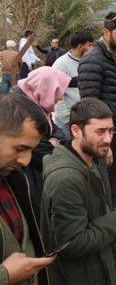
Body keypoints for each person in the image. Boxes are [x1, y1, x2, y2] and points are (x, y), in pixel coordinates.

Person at [41, 98, 116, 284]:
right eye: (100, 131)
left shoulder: (94, 157)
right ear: (75, 131)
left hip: (101, 263)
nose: (108, 139)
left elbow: (98, 213)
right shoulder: (66, 179)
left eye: (111, 130)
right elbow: (72, 243)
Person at [78, 11, 116, 209]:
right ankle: (108, 239)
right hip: (103, 138)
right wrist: (103, 142)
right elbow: (90, 106)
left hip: (115, 134)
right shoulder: (93, 59)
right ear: (106, 32)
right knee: (104, 193)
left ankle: (115, 236)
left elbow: (115, 98)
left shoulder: (111, 58)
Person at [0, 94, 55, 285]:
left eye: (31, 150)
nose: (26, 160)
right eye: (20, 148)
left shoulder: (14, 180)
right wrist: (5, 275)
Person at [11, 66, 71, 205]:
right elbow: (42, 152)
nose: (61, 97)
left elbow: (57, 129)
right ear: (44, 88)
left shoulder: (38, 105)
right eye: (57, 91)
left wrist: (55, 138)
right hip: (28, 181)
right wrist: (57, 145)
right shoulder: (22, 112)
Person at [51, 30, 94, 140]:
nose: (92, 48)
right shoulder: (61, 64)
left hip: (84, 119)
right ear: (80, 46)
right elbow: (55, 94)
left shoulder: (89, 62)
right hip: (68, 122)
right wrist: (68, 118)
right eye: (90, 45)